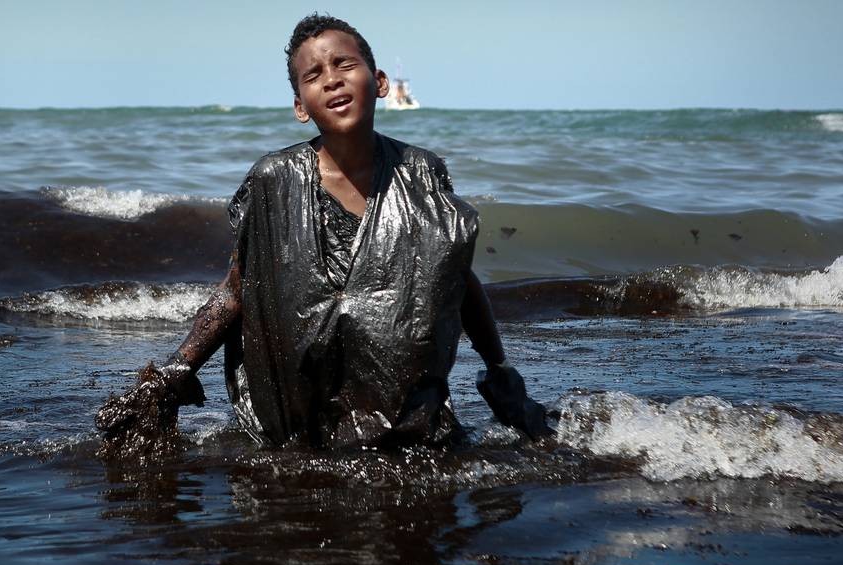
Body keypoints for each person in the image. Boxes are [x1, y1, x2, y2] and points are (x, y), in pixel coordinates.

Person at [97, 14, 550, 449]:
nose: (331, 79)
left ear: (380, 82)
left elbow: (456, 278)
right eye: (313, 75)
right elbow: (238, 290)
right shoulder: (273, 179)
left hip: (405, 414)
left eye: (345, 64)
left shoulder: (421, 172)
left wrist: (500, 369)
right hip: (302, 420)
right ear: (300, 106)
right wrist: (175, 373)